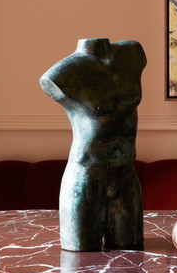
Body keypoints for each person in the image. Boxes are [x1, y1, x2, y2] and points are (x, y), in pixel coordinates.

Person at [40, 38, 147, 250]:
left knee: (132, 258)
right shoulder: (61, 74)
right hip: (87, 173)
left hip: (126, 174)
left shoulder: (131, 54)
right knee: (80, 261)